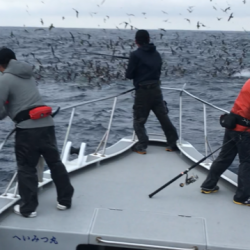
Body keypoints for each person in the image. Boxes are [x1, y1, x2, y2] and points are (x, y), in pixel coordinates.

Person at [0, 48, 74, 217]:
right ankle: (65, 200)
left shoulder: (5, 79)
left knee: (26, 168)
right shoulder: (27, 75)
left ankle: (28, 208)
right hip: (47, 124)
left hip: (27, 130)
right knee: (55, 163)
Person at [125, 30, 178, 154]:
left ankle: (142, 145)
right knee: (163, 117)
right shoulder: (157, 54)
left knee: (139, 120)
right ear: (148, 39)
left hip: (143, 92)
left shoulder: (135, 55)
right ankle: (172, 142)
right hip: (156, 90)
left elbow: (129, 75)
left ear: (136, 41)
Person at [201, 79, 250, 206]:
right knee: (247, 163)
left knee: (224, 157)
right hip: (244, 131)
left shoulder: (248, 82)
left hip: (232, 125)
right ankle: (242, 197)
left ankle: (208, 185)